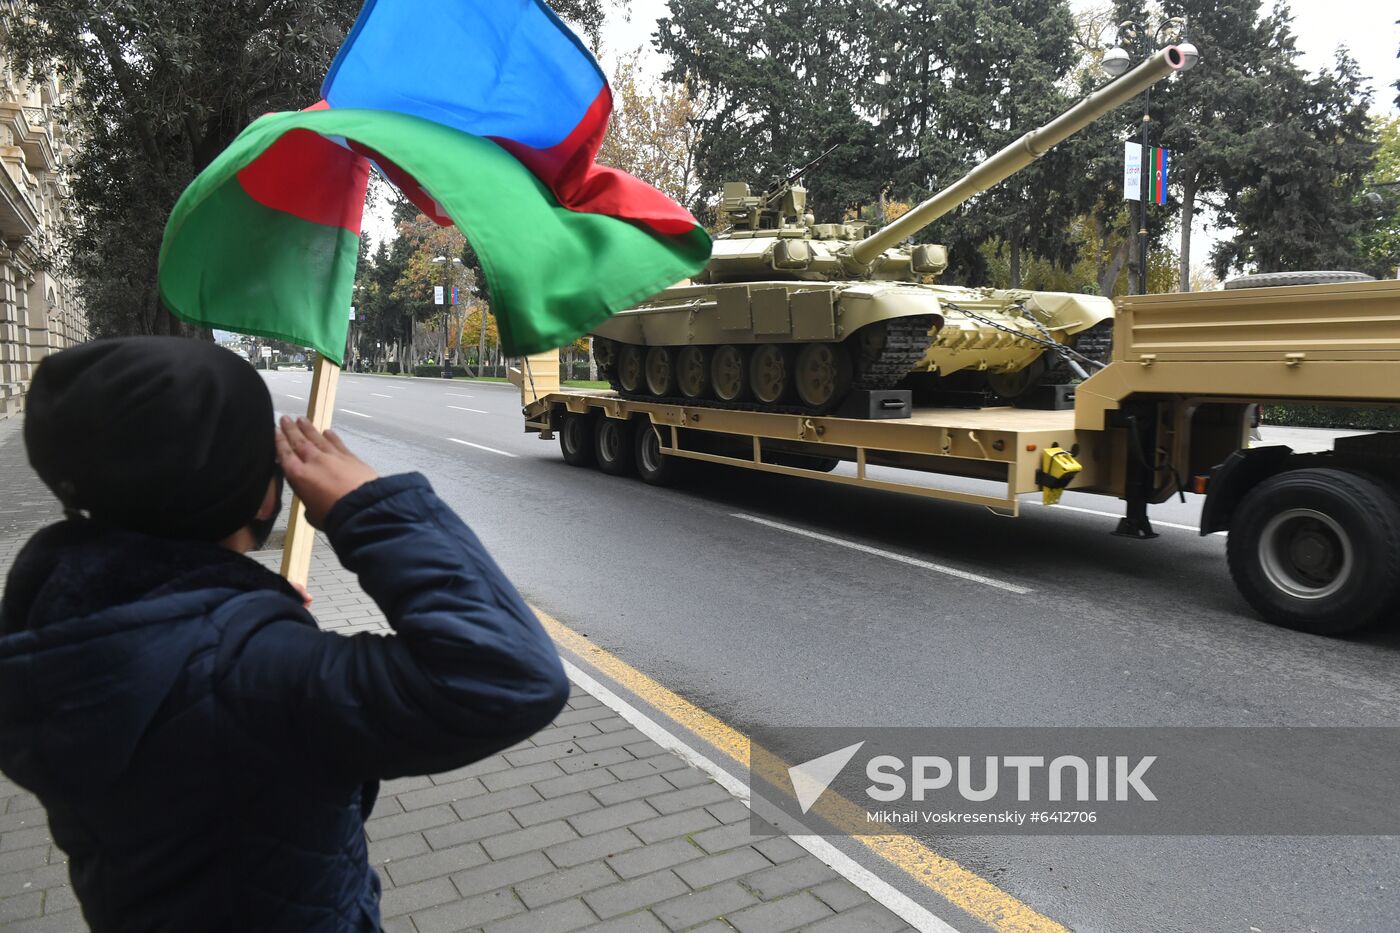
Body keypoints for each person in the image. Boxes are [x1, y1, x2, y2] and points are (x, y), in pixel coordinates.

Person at [0, 336, 569, 932]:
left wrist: (244, 612)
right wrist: (369, 506)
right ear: (255, 491)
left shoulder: (58, 616)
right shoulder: (248, 671)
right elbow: (512, 674)